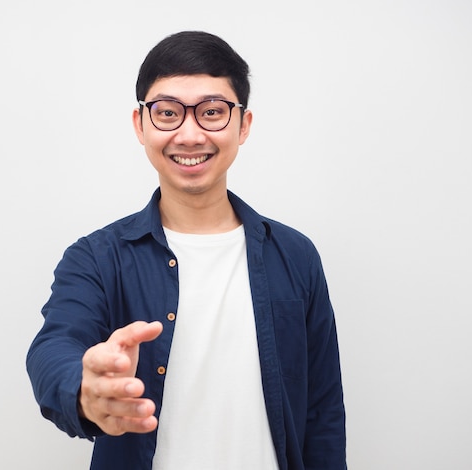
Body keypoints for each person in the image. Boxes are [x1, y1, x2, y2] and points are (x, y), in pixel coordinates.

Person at [26, 30, 346, 469]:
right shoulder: (97, 258)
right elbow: (53, 348)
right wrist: (83, 390)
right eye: (168, 113)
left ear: (243, 125)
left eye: (212, 112)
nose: (190, 134)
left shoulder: (295, 255)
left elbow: (322, 413)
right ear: (140, 125)